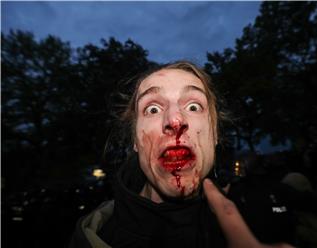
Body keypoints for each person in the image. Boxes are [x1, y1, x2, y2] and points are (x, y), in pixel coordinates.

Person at [69, 61, 293, 248]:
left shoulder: (260, 219)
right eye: (153, 109)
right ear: (135, 140)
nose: (175, 121)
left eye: (194, 106)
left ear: (214, 133)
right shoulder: (96, 237)